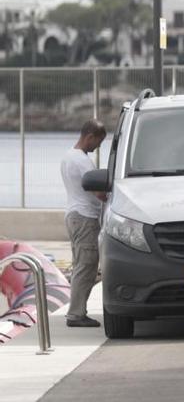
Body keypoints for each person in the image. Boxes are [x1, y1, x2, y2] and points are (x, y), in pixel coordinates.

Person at [60, 119, 107, 327]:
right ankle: (76, 315)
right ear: (90, 137)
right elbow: (99, 193)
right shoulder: (82, 161)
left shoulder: (68, 156)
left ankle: (77, 311)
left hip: (73, 214)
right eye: (99, 141)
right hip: (85, 218)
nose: (99, 146)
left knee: (81, 265)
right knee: (86, 266)